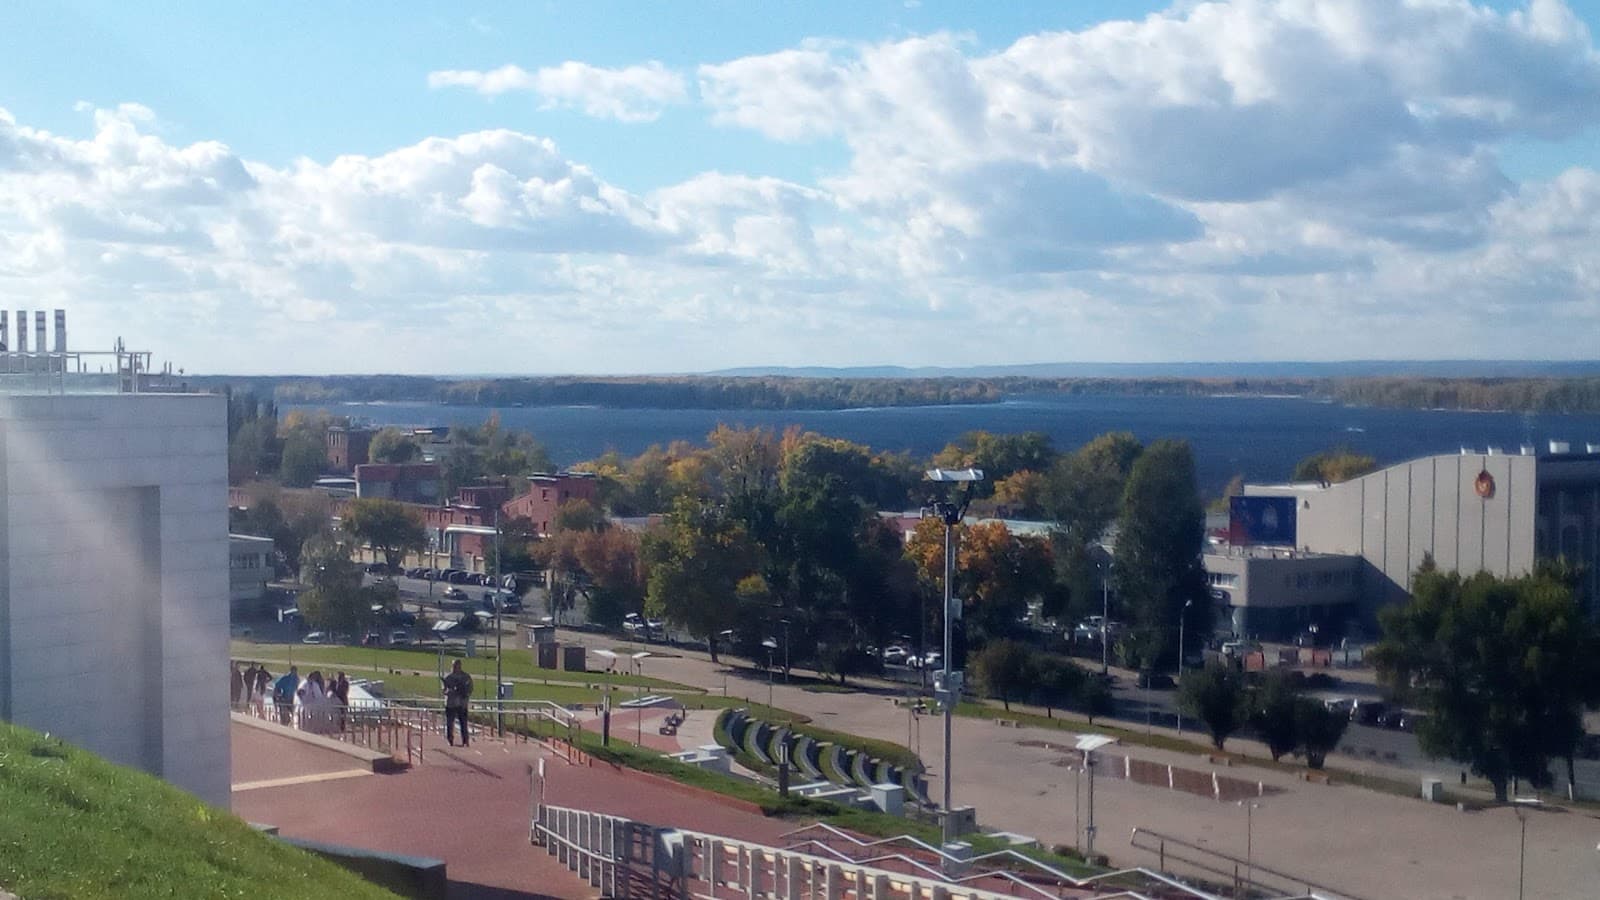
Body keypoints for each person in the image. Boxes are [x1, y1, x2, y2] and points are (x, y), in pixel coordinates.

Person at [442, 660, 473, 747]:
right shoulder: (448, 677)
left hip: (462, 704)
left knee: (463, 723)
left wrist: (465, 694)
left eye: (457, 666)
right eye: (454, 666)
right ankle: (450, 739)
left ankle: (465, 740)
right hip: (451, 703)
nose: (455, 667)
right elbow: (444, 690)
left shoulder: (466, 677)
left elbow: (470, 688)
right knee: (449, 723)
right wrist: (450, 691)